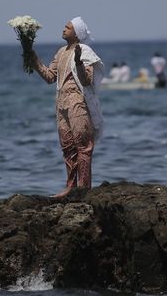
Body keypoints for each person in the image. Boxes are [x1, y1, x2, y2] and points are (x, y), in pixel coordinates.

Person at [31, 17, 104, 198]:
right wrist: (32, 57)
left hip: (77, 102)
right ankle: (71, 187)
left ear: (77, 33)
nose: (63, 29)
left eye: (68, 27)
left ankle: (84, 189)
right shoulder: (61, 52)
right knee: (68, 147)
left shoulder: (85, 51)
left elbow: (86, 80)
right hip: (61, 103)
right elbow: (50, 76)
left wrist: (78, 61)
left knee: (83, 146)